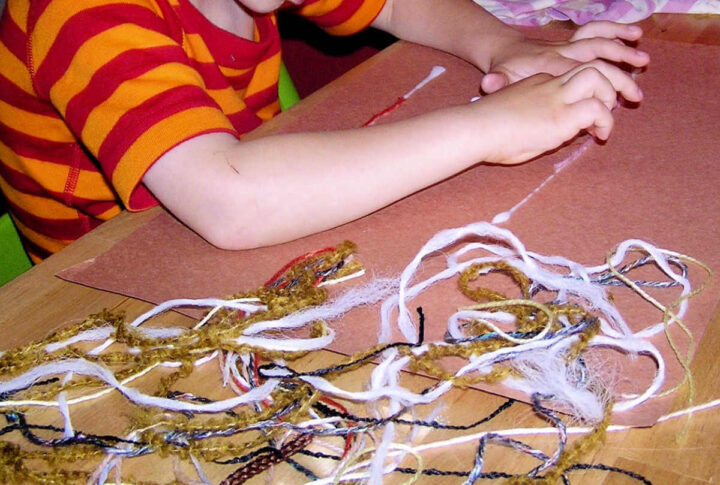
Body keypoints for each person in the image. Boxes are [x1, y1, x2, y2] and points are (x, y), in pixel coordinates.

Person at [0, 0, 648, 262]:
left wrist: (503, 44)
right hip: (112, 298)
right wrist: (485, 127)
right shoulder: (80, 6)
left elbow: (397, 1)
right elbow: (229, 201)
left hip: (249, 233)